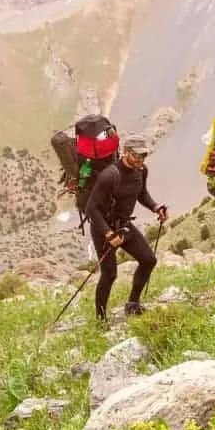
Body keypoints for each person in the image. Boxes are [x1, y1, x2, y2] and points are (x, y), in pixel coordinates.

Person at [85, 133, 168, 320]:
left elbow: (141, 193)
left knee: (149, 260)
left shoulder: (142, 170)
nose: (141, 159)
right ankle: (100, 318)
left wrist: (156, 207)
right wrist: (108, 234)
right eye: (137, 155)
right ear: (125, 152)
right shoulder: (109, 176)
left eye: (144, 155)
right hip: (103, 229)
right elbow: (92, 209)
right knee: (109, 274)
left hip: (124, 226)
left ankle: (133, 304)